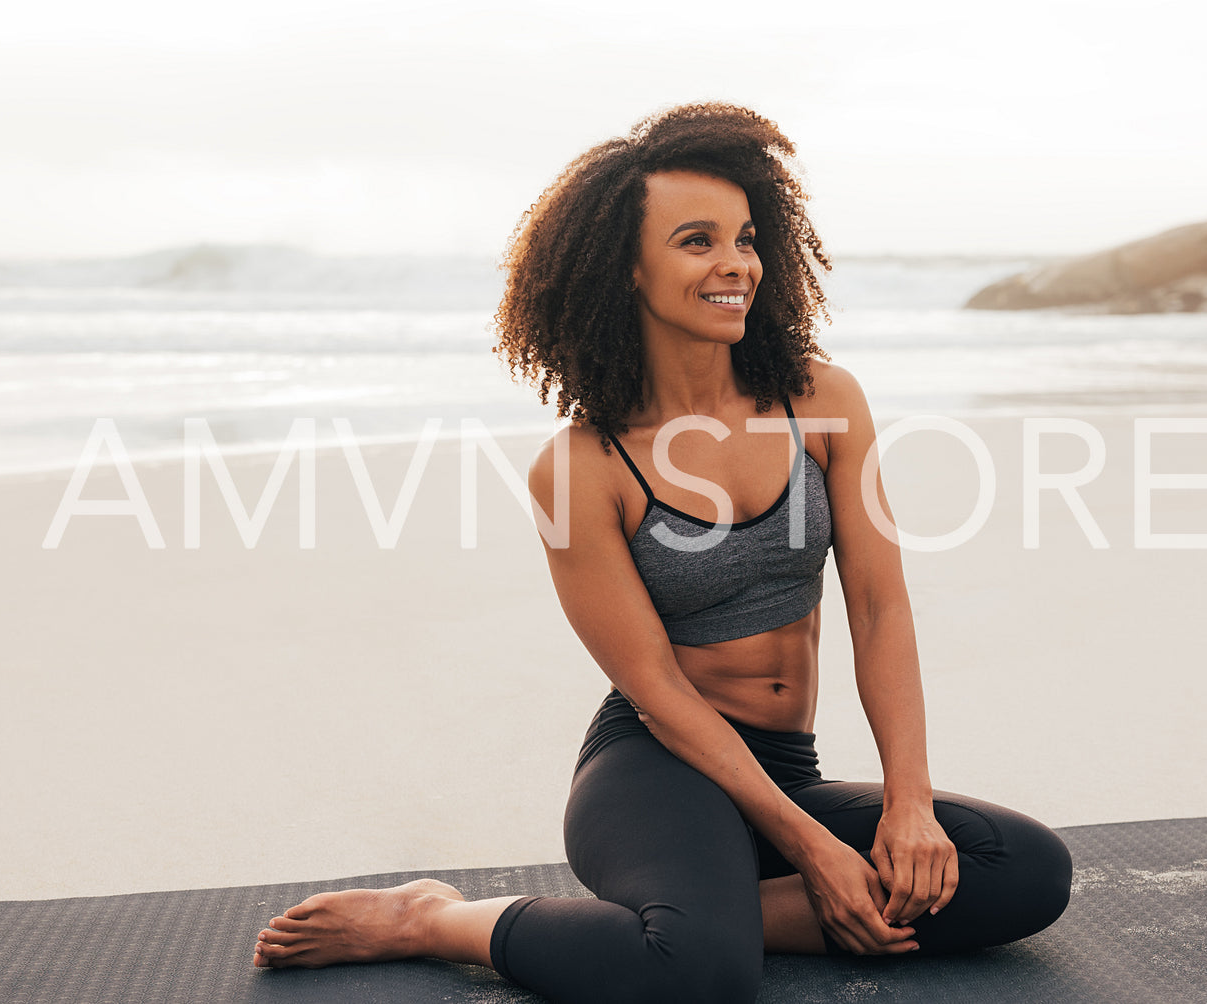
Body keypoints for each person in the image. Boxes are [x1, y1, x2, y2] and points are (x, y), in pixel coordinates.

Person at [252, 103, 1072, 1002]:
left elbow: (880, 606)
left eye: (747, 238)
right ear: (627, 271)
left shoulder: (822, 400)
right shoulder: (580, 468)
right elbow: (658, 689)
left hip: (783, 768)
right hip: (654, 769)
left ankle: (709, 910)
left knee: (1021, 869)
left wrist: (908, 808)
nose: (736, 265)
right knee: (699, 974)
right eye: (696, 241)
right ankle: (433, 917)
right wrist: (816, 852)